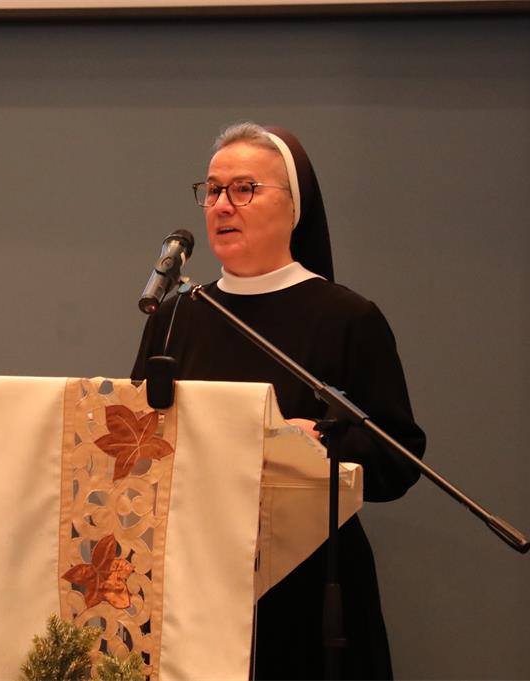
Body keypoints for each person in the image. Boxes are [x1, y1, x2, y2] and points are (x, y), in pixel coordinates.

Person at [131, 122, 426, 680]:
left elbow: (398, 458)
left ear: (294, 208)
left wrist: (320, 442)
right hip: (198, 583)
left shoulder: (346, 317)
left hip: (309, 588)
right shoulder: (175, 317)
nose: (222, 205)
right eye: (213, 190)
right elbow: (141, 441)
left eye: (244, 188)